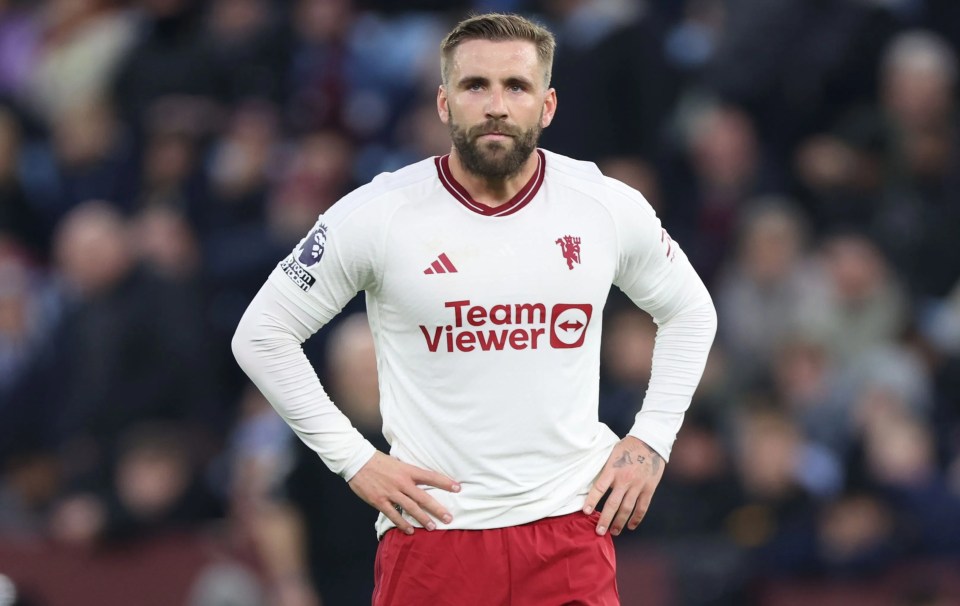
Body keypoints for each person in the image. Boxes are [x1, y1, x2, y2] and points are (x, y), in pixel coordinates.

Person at [232, 12, 716, 605]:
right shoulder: (378, 213)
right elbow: (260, 334)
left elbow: (691, 311)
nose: (495, 104)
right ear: (443, 102)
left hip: (568, 529)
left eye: (516, 86)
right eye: (474, 86)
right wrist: (356, 460)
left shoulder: (604, 206)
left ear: (548, 105)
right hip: (435, 537)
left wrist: (652, 440)